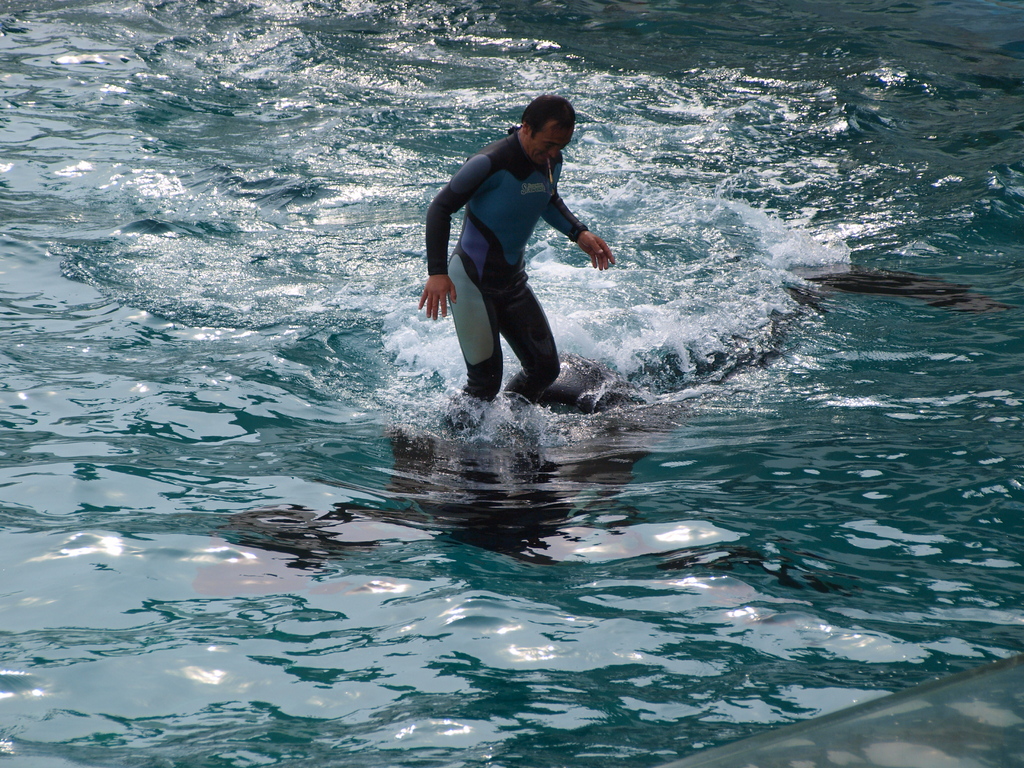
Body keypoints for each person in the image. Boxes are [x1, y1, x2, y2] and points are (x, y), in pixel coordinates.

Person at [419, 95, 615, 404]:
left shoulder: (551, 161)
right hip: (472, 281)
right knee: (484, 384)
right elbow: (440, 209)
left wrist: (579, 233)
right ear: (526, 128)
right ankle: (455, 439)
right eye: (548, 144)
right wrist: (437, 273)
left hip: (512, 282)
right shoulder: (489, 162)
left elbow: (547, 198)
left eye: (560, 147)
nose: (552, 153)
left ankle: (508, 422)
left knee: (544, 369)